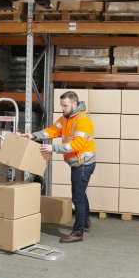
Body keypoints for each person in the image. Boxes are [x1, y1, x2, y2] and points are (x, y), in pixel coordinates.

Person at [22, 91, 96, 243]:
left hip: (83, 164)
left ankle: (78, 232)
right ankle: (85, 221)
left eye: (65, 105)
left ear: (74, 104)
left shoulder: (83, 121)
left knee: (77, 197)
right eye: (61, 105)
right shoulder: (66, 118)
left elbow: (77, 144)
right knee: (81, 193)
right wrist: (33, 136)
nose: (62, 108)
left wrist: (53, 149)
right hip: (78, 163)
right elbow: (53, 130)